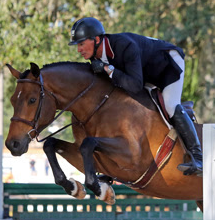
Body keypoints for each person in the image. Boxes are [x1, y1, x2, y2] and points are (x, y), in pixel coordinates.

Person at [68, 17, 203, 176]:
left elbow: (135, 85)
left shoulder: (124, 46)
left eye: (81, 44)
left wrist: (109, 70)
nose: (79, 49)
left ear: (96, 39)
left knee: (170, 105)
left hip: (168, 64)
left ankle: (198, 157)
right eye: (78, 45)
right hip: (145, 72)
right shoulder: (96, 57)